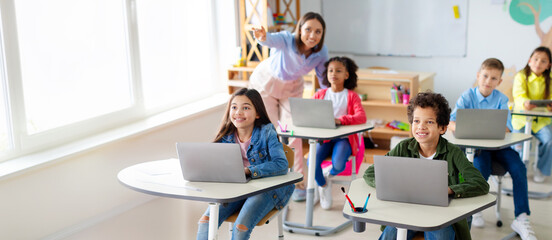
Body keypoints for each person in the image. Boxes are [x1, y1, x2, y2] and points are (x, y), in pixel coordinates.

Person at [363, 92, 489, 240]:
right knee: (391, 234)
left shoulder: (453, 153)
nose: (420, 127)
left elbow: (480, 184)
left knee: (442, 235)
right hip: (407, 211)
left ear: (442, 128)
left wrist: (450, 190)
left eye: (429, 122)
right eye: (416, 121)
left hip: (441, 214)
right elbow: (370, 173)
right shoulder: (403, 147)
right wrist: (390, 187)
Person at [449, 58, 536, 240]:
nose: (488, 81)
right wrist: (463, 127)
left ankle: (521, 217)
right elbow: (451, 122)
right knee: (480, 169)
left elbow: (507, 128)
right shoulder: (467, 96)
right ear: (478, 76)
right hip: (477, 148)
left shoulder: (502, 99)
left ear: (500, 81)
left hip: (500, 147)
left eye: (494, 78)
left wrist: (479, 126)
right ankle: (476, 211)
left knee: (519, 168)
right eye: (485, 76)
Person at [249, 12, 329, 201]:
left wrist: (333, 96)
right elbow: (270, 40)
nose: (312, 35)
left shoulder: (321, 52)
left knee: (293, 131)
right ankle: (268, 178)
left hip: (292, 88)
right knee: (268, 131)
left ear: (322, 34)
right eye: (308, 29)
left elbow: (323, 78)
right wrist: (262, 36)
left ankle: (298, 182)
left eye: (318, 31)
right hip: (266, 83)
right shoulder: (286, 39)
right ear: (300, 29)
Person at [196, 88, 294, 240]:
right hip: (237, 189)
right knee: (205, 222)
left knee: (240, 228)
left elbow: (281, 164)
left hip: (266, 188)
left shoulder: (267, 132)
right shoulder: (226, 135)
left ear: (257, 113)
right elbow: (214, 163)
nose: (238, 112)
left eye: (246, 108)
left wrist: (249, 171)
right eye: (234, 107)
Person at [311, 56, 366, 209]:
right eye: (330, 70)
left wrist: (341, 120)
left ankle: (327, 174)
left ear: (346, 75)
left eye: (338, 71)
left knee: (339, 164)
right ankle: (324, 185)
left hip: (343, 139)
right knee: (311, 163)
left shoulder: (351, 96)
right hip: (323, 139)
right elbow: (310, 114)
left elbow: (361, 116)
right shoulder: (320, 94)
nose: (333, 73)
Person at [512, 46, 552, 183]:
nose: (538, 63)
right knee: (518, 143)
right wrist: (525, 103)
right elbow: (518, 95)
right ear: (529, 60)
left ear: (549, 65)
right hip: (521, 119)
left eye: (543, 61)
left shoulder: (550, 79)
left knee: (549, 140)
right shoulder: (521, 76)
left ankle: (541, 169)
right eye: (535, 59)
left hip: (541, 121)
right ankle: (514, 168)